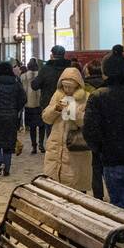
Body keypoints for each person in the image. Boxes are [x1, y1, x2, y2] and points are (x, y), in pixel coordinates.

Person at [83, 46, 124, 210]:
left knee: (119, 207)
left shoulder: (98, 96)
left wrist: (100, 150)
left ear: (106, 71)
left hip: (113, 159)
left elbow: (90, 130)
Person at [42, 66, 92, 194]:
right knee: (55, 187)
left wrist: (73, 112)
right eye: (65, 86)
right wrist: (56, 109)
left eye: (71, 87)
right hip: (55, 145)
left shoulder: (86, 98)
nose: (67, 90)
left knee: (75, 187)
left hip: (76, 147)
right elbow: (46, 118)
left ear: (77, 86)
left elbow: (88, 122)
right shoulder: (57, 95)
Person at [20, 58, 44, 154]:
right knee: (42, 126)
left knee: (32, 127)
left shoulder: (23, 76)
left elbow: (22, 91)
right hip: (40, 104)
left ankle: (34, 146)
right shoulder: (41, 76)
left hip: (29, 104)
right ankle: (41, 144)